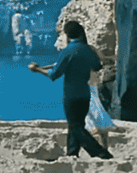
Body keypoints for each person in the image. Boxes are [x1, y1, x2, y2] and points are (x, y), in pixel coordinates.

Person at [28, 20, 113, 159]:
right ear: (80, 32)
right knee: (76, 124)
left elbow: (54, 74)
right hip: (85, 94)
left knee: (75, 126)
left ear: (67, 35)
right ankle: (72, 153)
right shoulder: (87, 50)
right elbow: (97, 66)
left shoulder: (67, 51)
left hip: (71, 95)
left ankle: (100, 153)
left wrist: (37, 69)